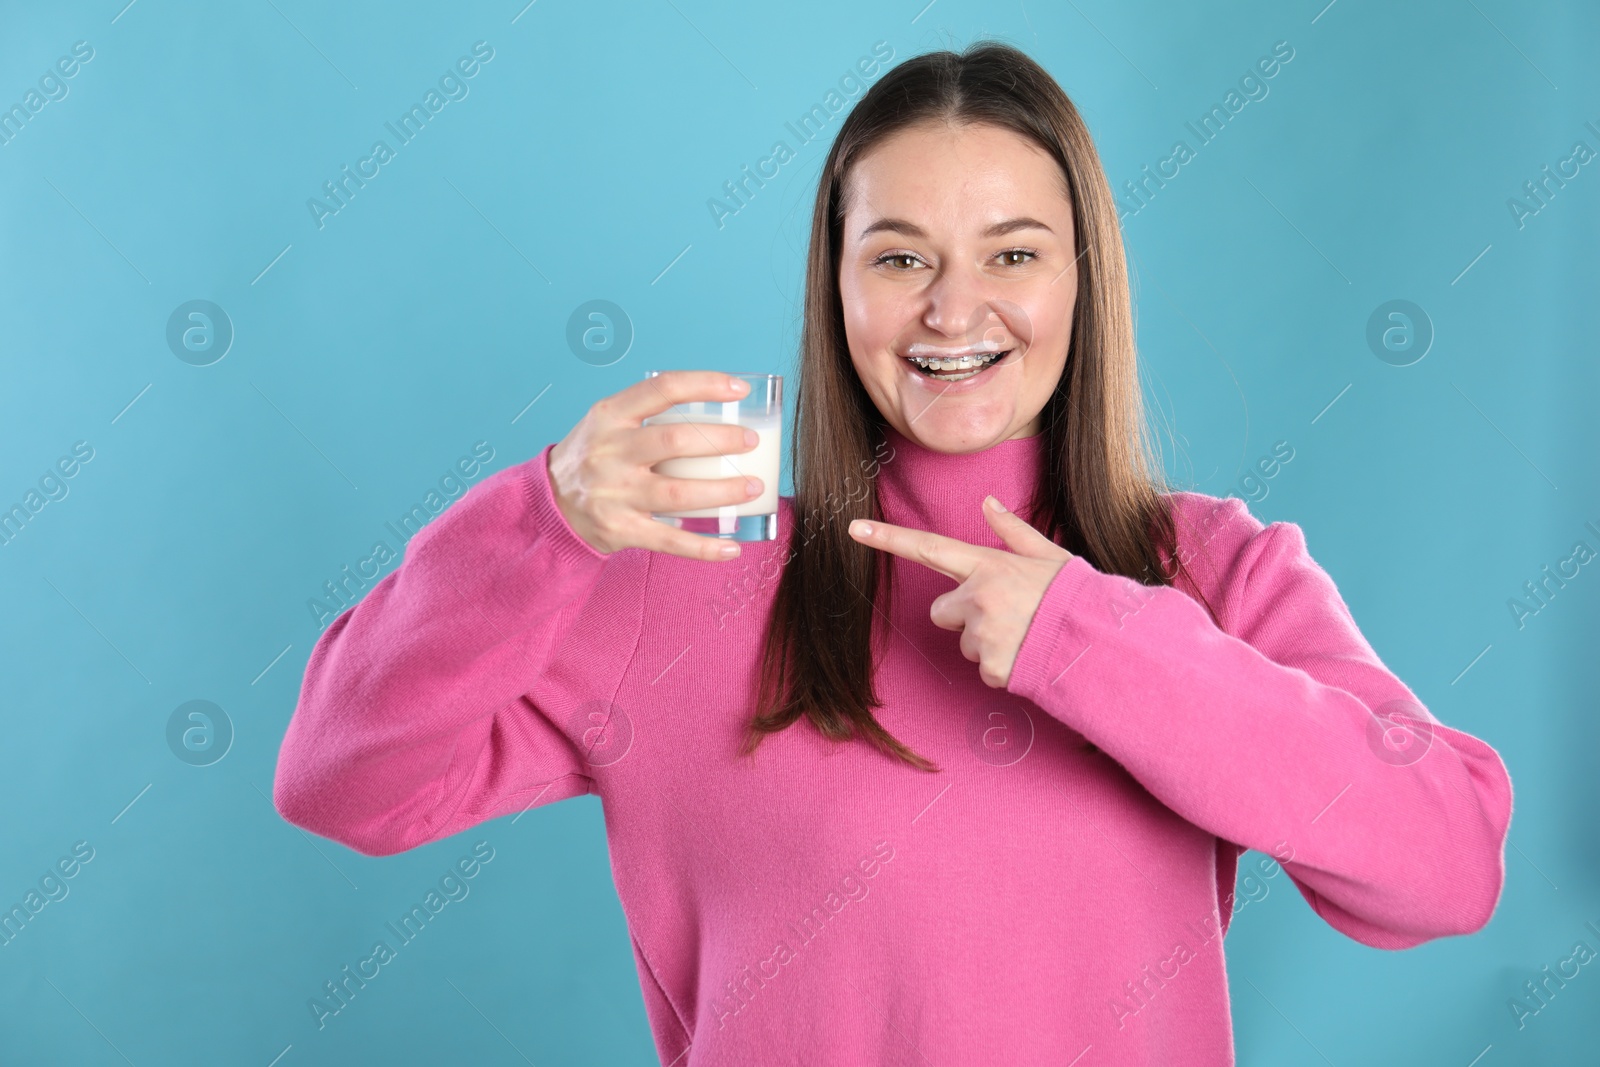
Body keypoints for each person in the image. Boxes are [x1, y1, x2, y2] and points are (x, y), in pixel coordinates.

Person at [273, 40, 1513, 1066]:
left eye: (1013, 253)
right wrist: (544, 518)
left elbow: (1446, 865)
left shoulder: (1209, 569)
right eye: (901, 256)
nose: (954, 310)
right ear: (838, 286)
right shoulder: (683, 578)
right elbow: (341, 780)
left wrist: (1094, 640)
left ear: (1083, 280)